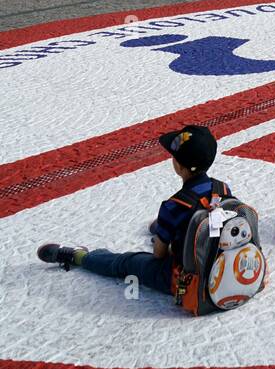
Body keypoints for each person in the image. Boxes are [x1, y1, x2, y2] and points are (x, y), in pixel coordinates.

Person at [36, 125, 230, 297]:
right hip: (222, 269)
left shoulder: (174, 206)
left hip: (185, 281)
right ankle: (165, 230)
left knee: (126, 263)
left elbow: (159, 255)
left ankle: (80, 257)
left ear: (178, 166)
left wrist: (169, 246)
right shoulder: (222, 189)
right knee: (178, 224)